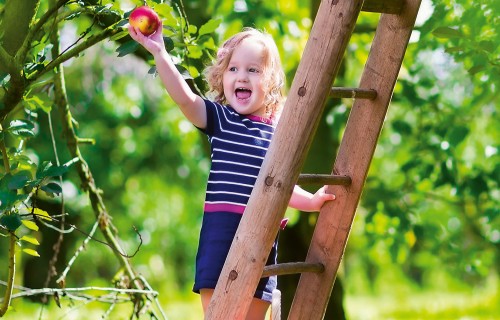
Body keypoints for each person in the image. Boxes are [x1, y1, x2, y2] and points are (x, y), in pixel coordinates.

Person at [129, 23, 336, 320]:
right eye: (233, 69)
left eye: (254, 70)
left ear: (271, 82)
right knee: (220, 315)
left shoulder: (277, 136)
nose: (242, 76)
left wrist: (312, 201)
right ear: (222, 78)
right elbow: (184, 98)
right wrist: (160, 52)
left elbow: (281, 186)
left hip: (263, 238)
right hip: (221, 235)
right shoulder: (221, 120)